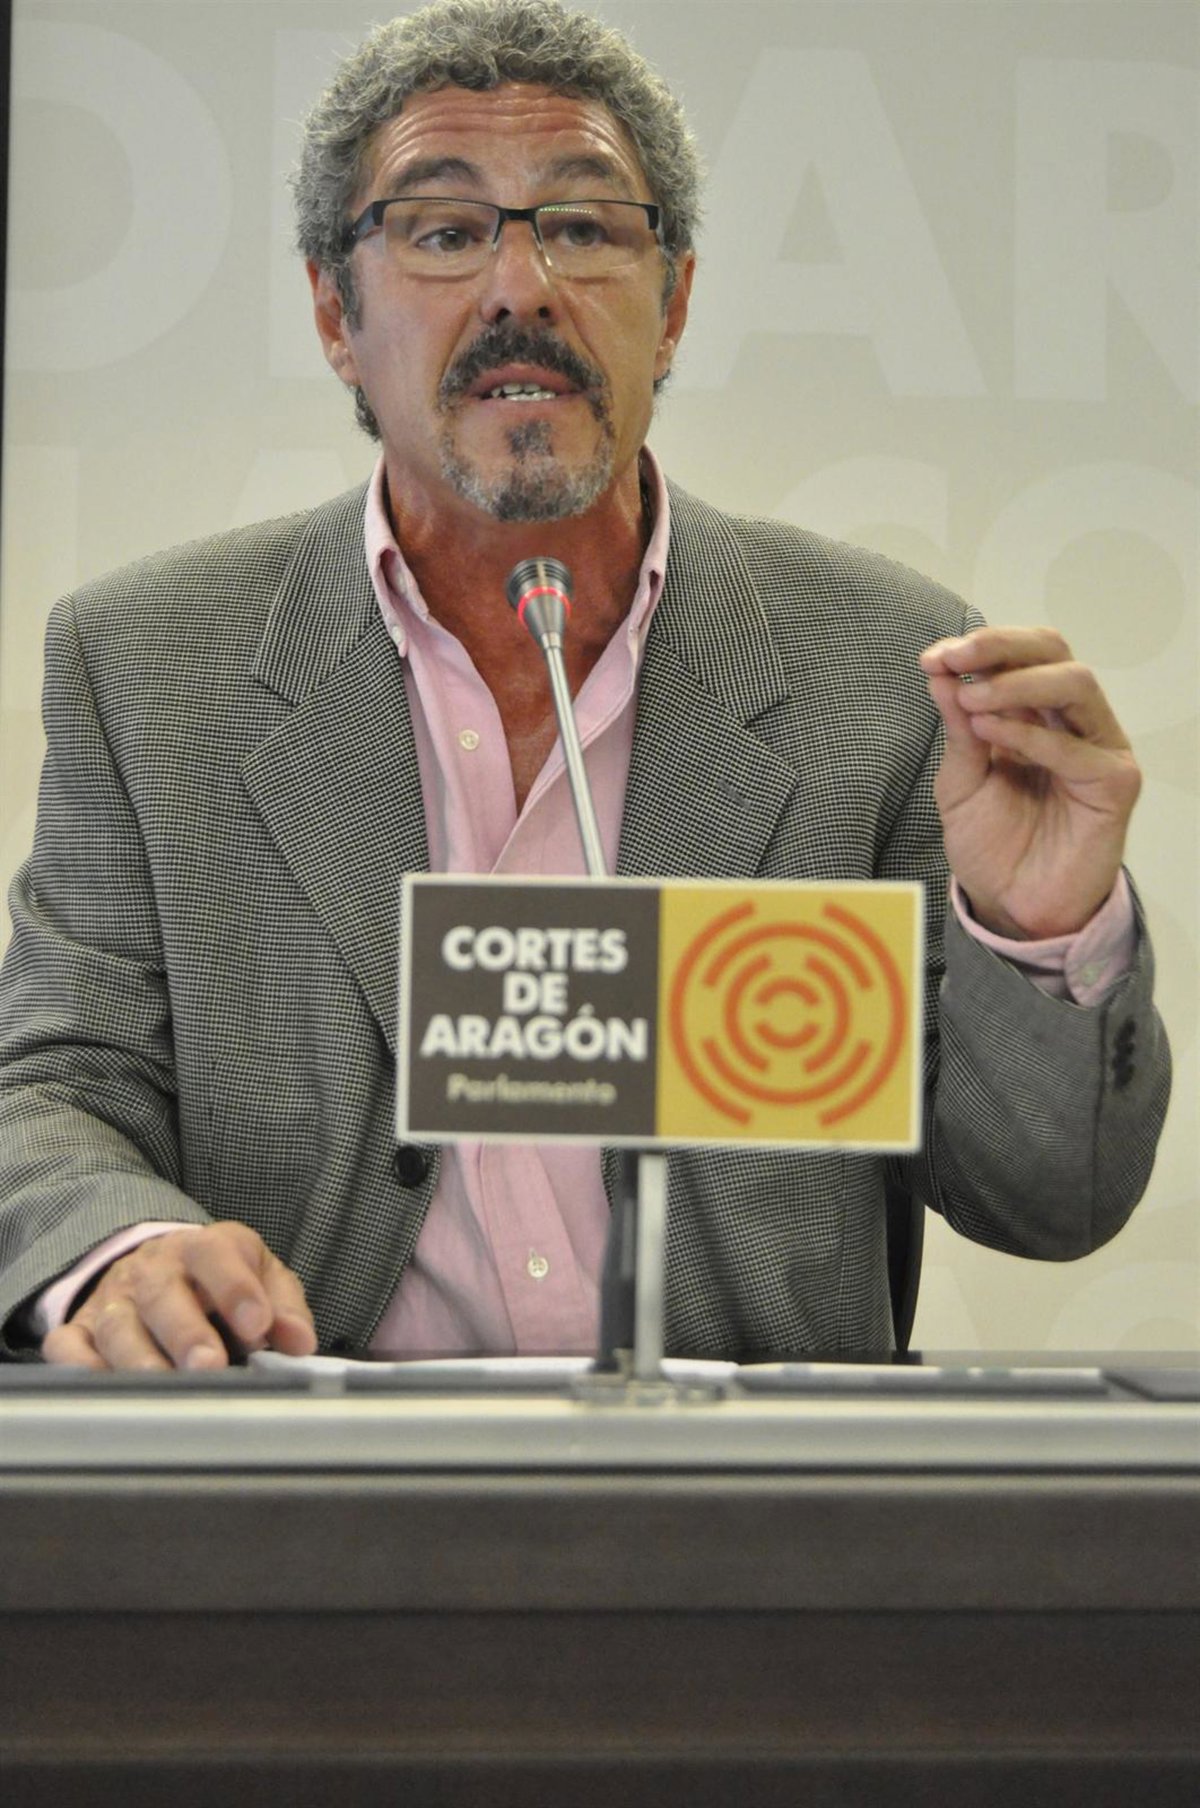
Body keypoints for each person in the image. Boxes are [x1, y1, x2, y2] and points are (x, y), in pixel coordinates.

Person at [0, 0, 1169, 1369]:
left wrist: (1036, 932)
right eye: (444, 232)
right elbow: (58, 1084)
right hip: (311, 1468)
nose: (521, 289)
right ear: (334, 314)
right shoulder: (149, 665)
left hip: (745, 1485)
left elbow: (1051, 1201)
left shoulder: (879, 667)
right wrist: (127, 1247)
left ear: (673, 307)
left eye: (584, 226)